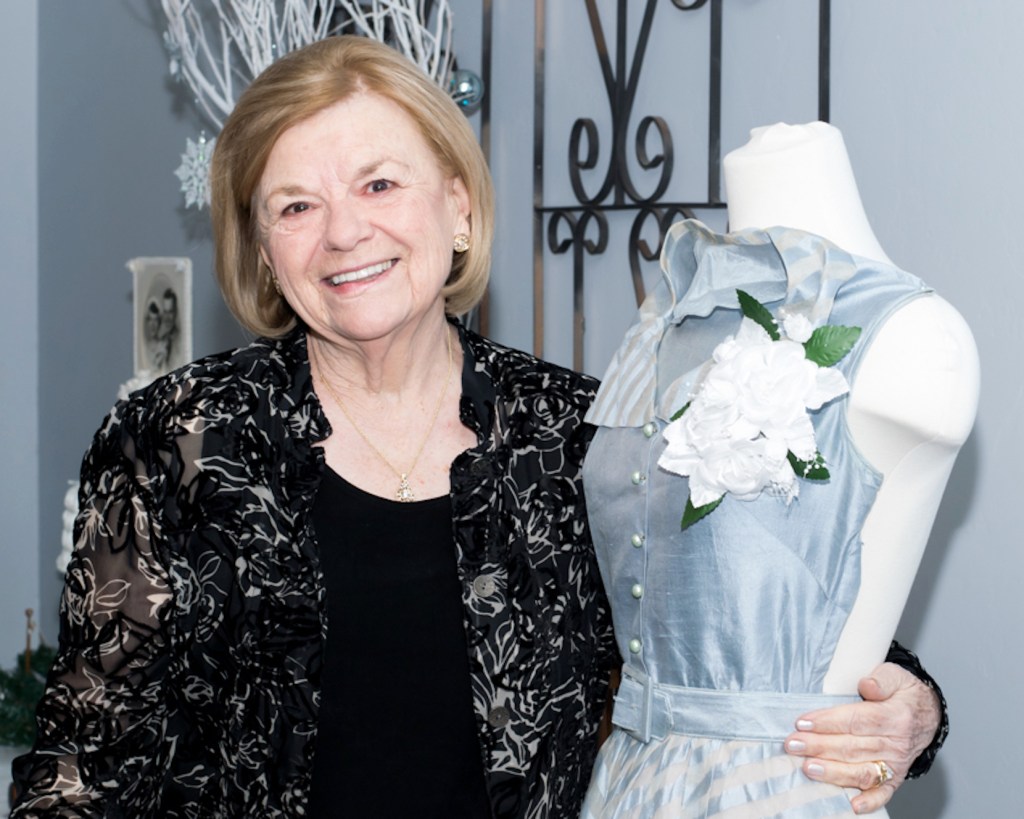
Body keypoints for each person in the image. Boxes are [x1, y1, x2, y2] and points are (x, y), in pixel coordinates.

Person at [11, 39, 945, 818]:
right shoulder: (174, 441)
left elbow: (739, 632)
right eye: (296, 206)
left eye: (380, 183)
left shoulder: (583, 432)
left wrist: (910, 702)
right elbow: (84, 765)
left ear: (458, 205)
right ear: (262, 248)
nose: (343, 233)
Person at [581, 122, 977, 817]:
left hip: (775, 787)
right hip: (626, 783)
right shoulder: (660, 324)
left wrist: (918, 705)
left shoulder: (915, 337)